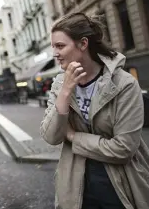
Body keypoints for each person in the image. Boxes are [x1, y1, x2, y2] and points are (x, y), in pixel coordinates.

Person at [41, 12, 149, 209]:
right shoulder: (59, 85)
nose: (55, 53)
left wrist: (74, 137)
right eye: (53, 46)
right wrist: (65, 92)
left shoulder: (123, 84)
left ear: (83, 44)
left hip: (121, 186)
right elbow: (51, 137)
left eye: (60, 46)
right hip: (76, 188)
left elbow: (124, 149)